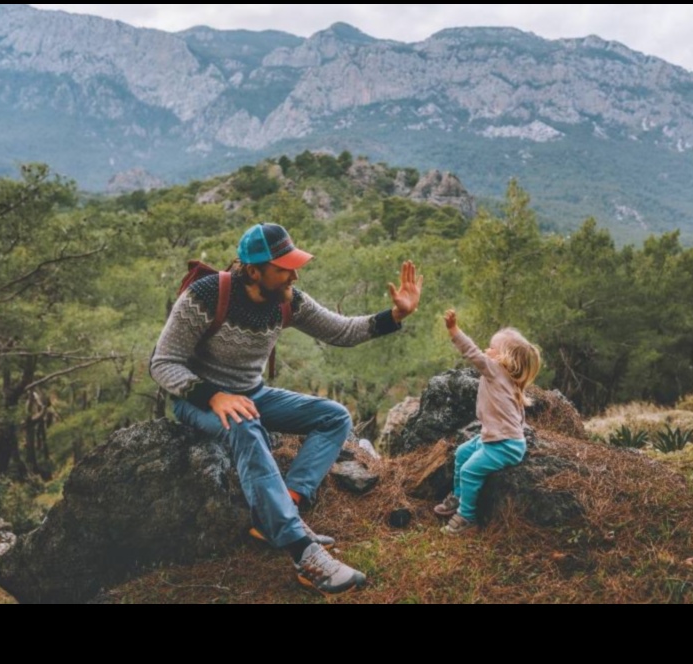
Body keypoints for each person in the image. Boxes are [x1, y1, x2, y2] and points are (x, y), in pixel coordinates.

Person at [150, 223, 422, 594]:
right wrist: (214, 396)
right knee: (244, 424)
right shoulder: (207, 296)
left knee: (334, 416)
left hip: (253, 393)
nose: (294, 274)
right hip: (197, 402)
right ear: (253, 270)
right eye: (284, 267)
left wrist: (395, 315)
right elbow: (163, 363)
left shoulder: (287, 300)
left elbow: (341, 331)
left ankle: (285, 506)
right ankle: (303, 553)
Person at [434, 309, 541, 534]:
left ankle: (467, 517)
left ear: (504, 357)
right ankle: (460, 496)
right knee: (462, 453)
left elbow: (472, 353)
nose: (487, 349)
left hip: (504, 445)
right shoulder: (508, 379)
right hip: (494, 438)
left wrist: (454, 330)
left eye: (492, 347)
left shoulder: (495, 370)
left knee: (470, 471)